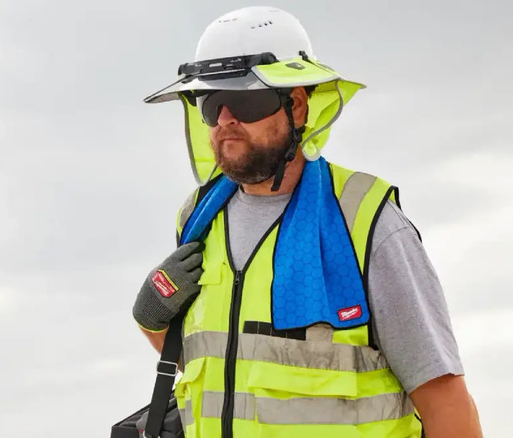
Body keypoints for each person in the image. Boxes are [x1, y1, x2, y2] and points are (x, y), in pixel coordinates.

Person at [132, 6, 483, 438]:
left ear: (296, 105)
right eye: (210, 103)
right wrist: (154, 320)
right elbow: (224, 370)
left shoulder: (364, 220)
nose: (225, 119)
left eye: (244, 99)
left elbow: (444, 398)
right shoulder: (198, 220)